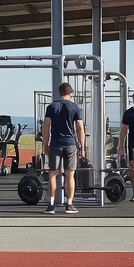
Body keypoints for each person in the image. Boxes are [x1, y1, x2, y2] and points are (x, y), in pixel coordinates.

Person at [41, 82, 86, 214]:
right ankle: (69, 204)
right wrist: (81, 146)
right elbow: (80, 128)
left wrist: (45, 144)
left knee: (52, 174)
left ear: (60, 92)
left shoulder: (52, 107)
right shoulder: (75, 107)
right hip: (70, 144)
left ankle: (51, 205)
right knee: (70, 174)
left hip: (55, 143)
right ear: (70, 93)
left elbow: (46, 127)